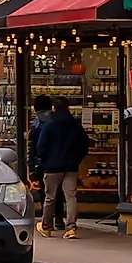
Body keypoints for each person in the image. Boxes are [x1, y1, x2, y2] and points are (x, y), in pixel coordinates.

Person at [36, 98, 91, 239]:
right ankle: (71, 227)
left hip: (52, 167)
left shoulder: (49, 126)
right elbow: (84, 145)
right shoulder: (75, 126)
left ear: (54, 109)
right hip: (71, 167)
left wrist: (45, 161)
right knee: (71, 197)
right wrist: (76, 159)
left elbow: (41, 147)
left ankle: (46, 227)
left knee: (50, 197)